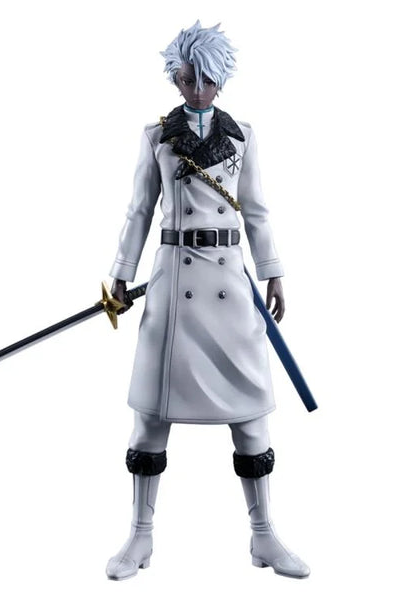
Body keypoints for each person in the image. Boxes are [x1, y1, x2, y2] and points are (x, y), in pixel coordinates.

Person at [106, 21, 309, 580]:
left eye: (207, 80)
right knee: (151, 418)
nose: (197, 89)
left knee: (251, 419)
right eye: (188, 78)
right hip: (174, 285)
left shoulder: (242, 136)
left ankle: (264, 536)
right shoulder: (156, 136)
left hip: (229, 285)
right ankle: (139, 536)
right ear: (175, 76)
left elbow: (256, 210)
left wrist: (272, 272)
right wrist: (121, 274)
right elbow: (139, 212)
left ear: (222, 79)